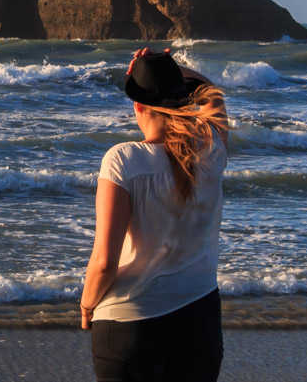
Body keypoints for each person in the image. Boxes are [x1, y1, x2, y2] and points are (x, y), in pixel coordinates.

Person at [80, 47, 231, 381]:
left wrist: (87, 305)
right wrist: (173, 69)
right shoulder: (211, 149)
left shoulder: (123, 160)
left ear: (137, 105)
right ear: (181, 98)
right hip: (200, 318)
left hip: (130, 325)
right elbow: (213, 94)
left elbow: (105, 261)